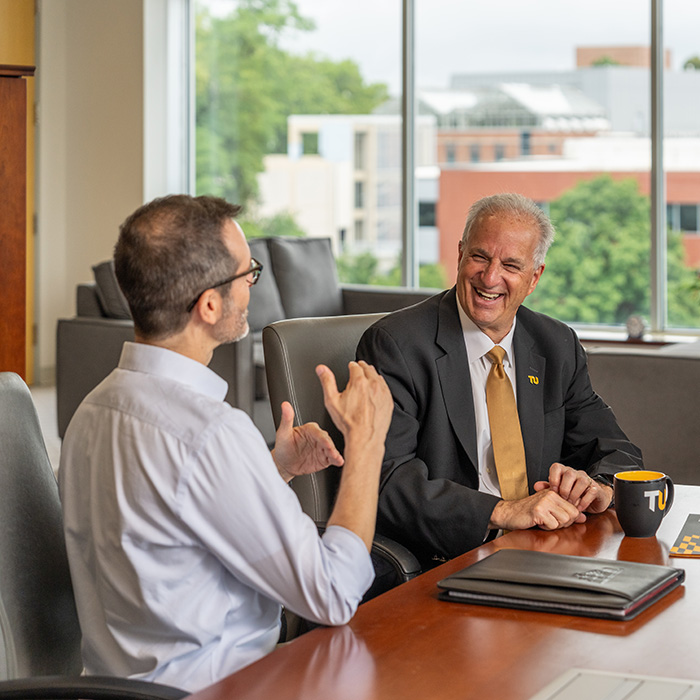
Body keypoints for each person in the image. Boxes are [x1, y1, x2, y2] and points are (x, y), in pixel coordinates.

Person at [58, 194, 393, 693]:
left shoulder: (90, 410)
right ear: (210, 305)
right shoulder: (209, 432)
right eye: (247, 274)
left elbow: (162, 522)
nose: (252, 288)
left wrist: (269, 467)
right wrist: (366, 443)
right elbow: (334, 593)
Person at [356, 193, 643, 569]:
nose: (490, 277)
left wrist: (599, 487)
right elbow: (387, 479)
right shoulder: (396, 345)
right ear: (459, 254)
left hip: (545, 550)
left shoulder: (556, 345)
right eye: (479, 257)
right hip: (448, 557)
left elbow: (617, 450)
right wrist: (501, 512)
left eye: (510, 264)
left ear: (534, 277)